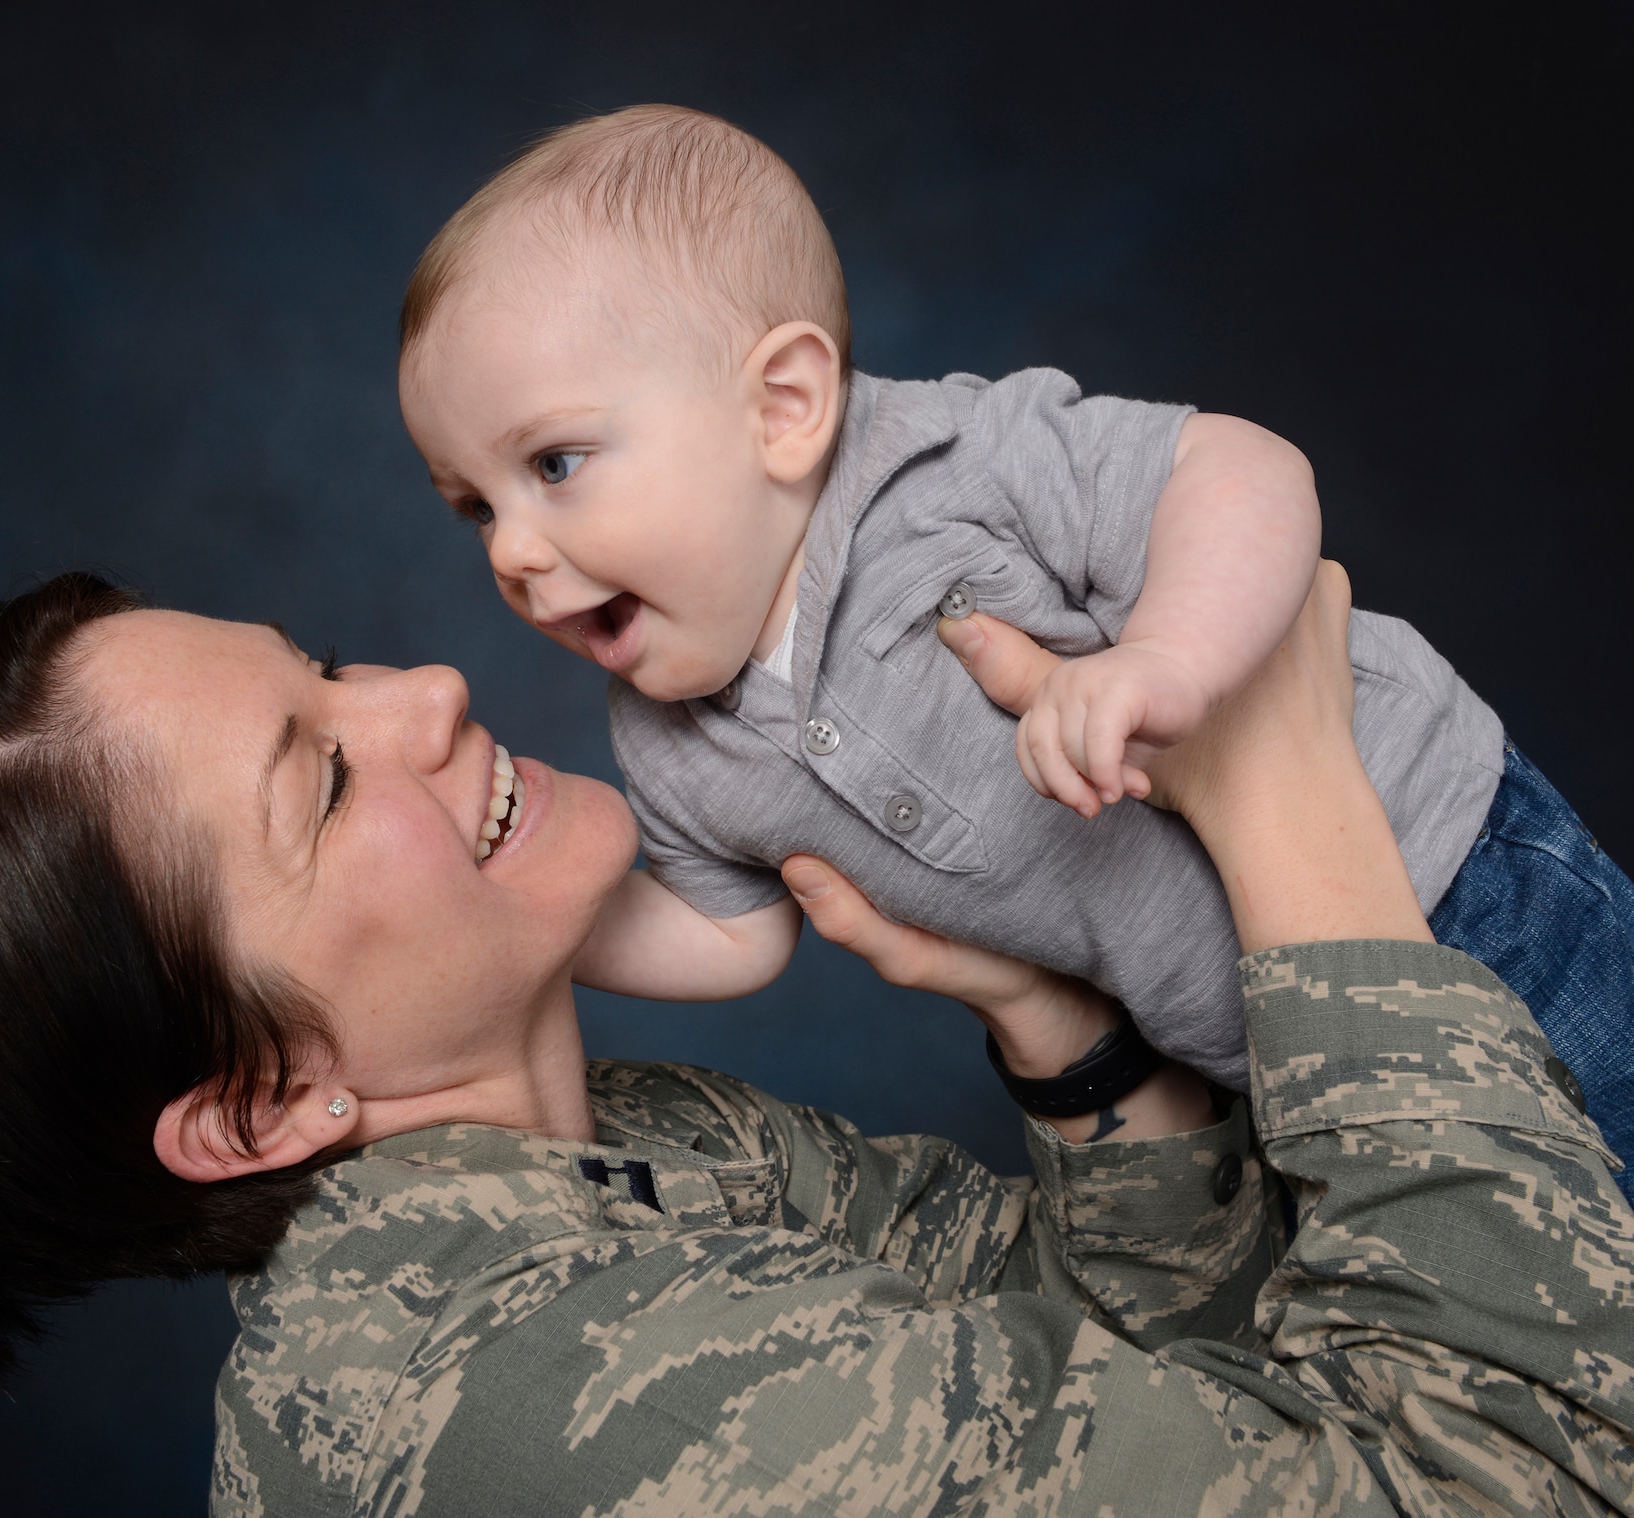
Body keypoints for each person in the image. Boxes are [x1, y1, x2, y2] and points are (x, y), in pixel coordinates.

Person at [0, 561, 1633, 1514]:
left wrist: (1059, 1030)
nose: (428, 690)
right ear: (260, 1097)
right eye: (320, 776)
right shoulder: (528, 1401)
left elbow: (1168, 1395)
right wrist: (1297, 819)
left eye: (326, 668)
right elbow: (1514, 1476)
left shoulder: (603, 1151)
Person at [395, 104, 1634, 1191]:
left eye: (552, 464)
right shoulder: (670, 737)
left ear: (782, 408)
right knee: (1548, 1335)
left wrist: (1166, 660)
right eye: (476, 507)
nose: (508, 549)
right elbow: (730, 937)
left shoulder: (951, 466)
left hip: (1454, 884)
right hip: (1268, 1052)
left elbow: (1240, 468)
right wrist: (508, 918)